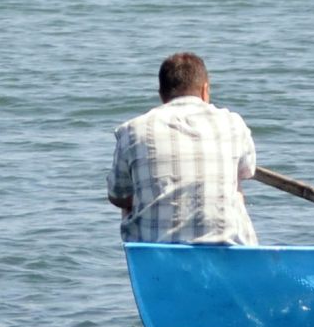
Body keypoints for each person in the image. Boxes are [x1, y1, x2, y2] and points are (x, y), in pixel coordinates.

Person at [107, 51, 258, 245]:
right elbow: (247, 171)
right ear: (205, 90)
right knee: (235, 186)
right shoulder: (234, 123)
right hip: (226, 249)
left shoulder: (132, 130)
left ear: (161, 94)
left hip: (156, 252)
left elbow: (118, 196)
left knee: (132, 197)